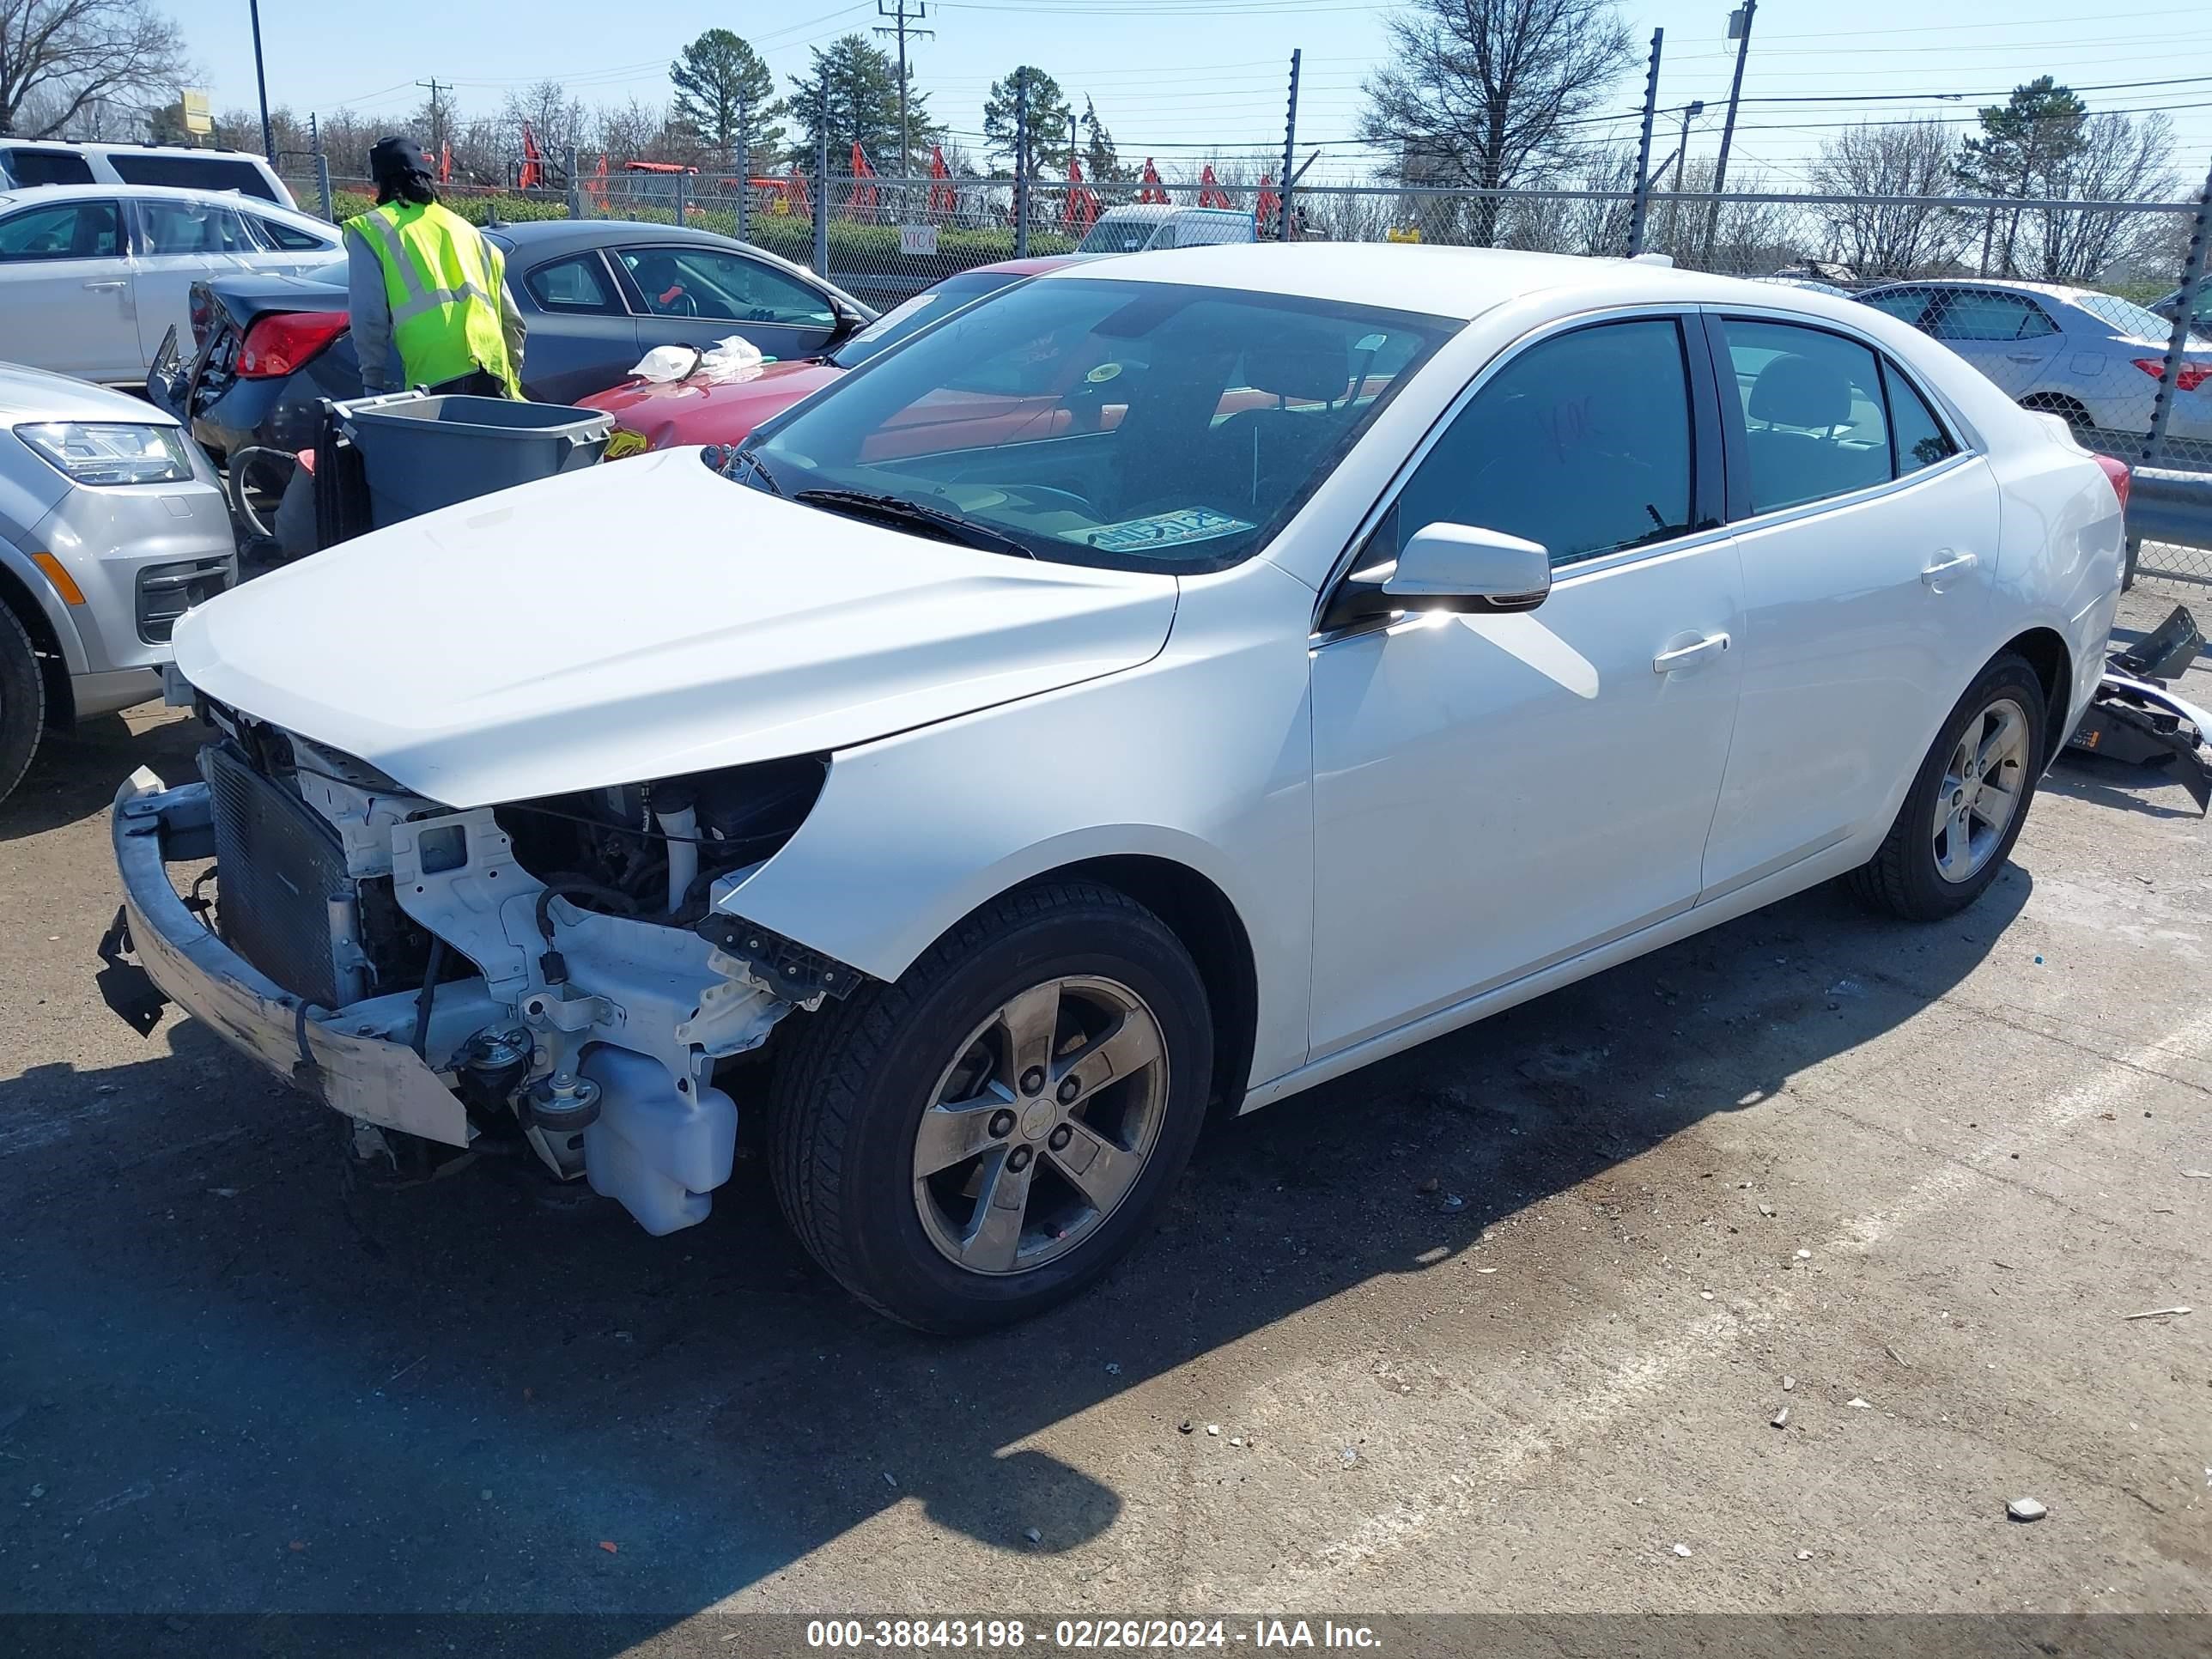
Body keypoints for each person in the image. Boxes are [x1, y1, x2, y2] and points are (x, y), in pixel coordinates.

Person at [344, 136, 526, 398]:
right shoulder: (467, 230)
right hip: (490, 359)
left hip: (433, 368)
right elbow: (513, 321)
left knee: (439, 440)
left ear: (380, 182)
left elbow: (369, 317)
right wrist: (511, 374)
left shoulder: (372, 228)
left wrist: (372, 382)